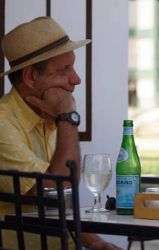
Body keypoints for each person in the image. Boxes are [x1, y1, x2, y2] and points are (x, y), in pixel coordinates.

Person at [0, 17, 121, 250]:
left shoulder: (48, 118)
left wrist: (97, 244)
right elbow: (55, 190)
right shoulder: (4, 124)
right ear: (30, 77)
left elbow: (61, 205)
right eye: (65, 69)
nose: (76, 79)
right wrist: (68, 116)